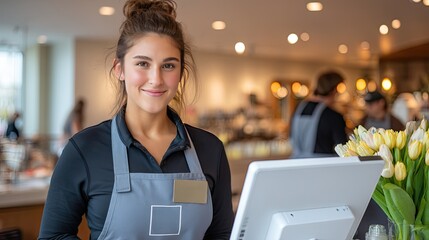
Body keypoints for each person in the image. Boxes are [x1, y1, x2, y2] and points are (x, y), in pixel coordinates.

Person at [38, 0, 234, 239]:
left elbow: (222, 234)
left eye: (169, 65)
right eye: (143, 63)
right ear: (119, 69)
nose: (156, 79)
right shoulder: (84, 149)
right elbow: (52, 236)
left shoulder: (210, 149)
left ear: (181, 73)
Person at [289, 71, 348, 158]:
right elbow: (343, 149)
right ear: (334, 90)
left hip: (297, 164)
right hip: (323, 166)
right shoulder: (334, 116)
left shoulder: (299, 108)